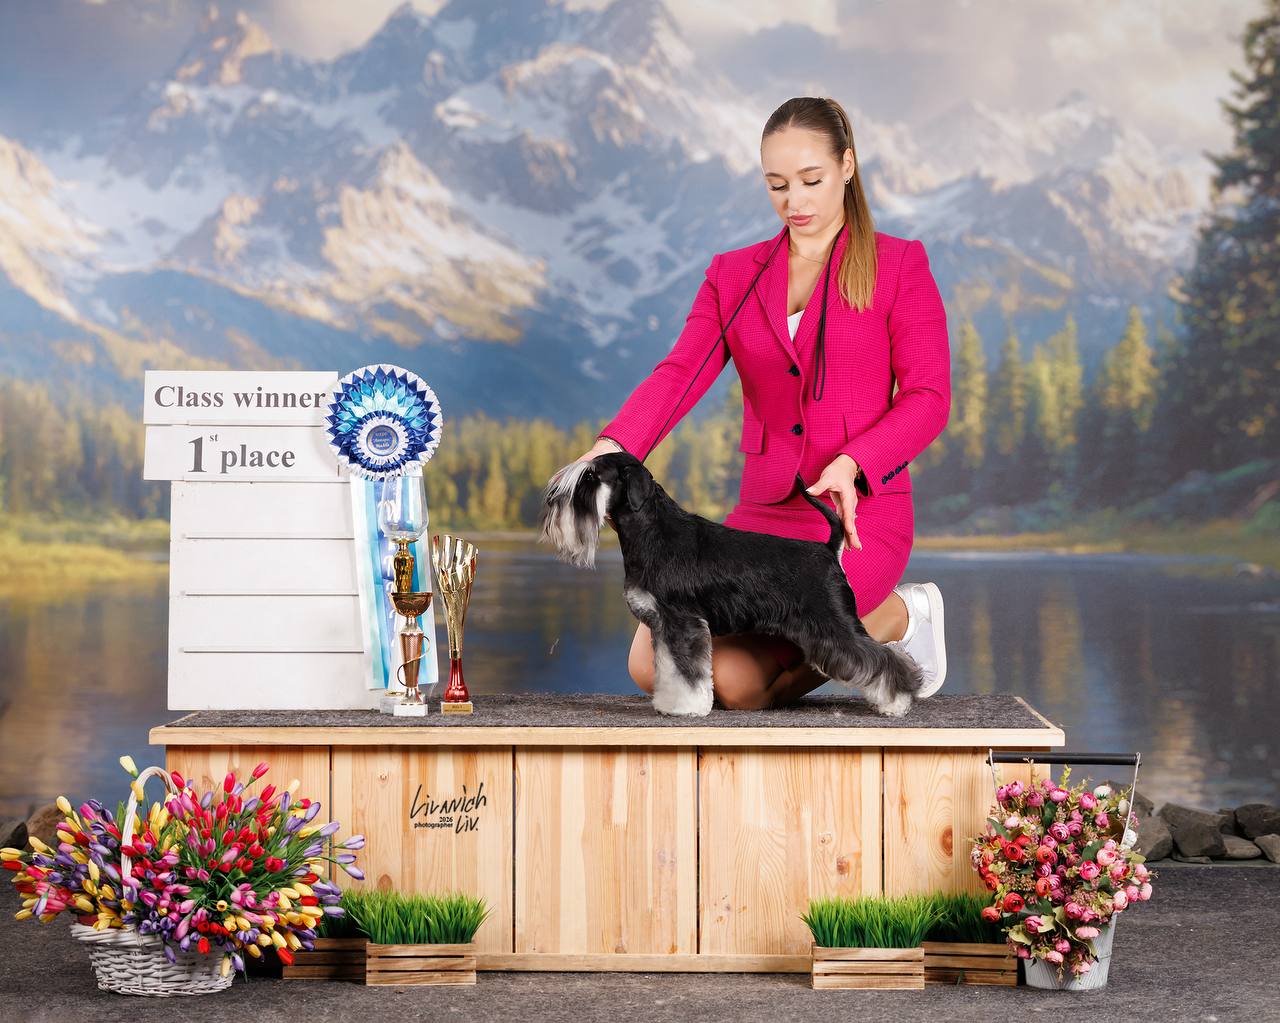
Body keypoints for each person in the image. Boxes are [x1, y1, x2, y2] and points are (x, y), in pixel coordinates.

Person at [571, 96, 950, 710]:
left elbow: (928, 398)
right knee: (649, 662)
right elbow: (679, 373)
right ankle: (862, 625)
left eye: (811, 180)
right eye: (777, 185)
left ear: (847, 165)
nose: (794, 201)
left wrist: (855, 463)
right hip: (762, 517)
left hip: (857, 519)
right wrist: (613, 446)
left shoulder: (900, 265)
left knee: (736, 685)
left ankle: (898, 616)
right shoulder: (733, 275)